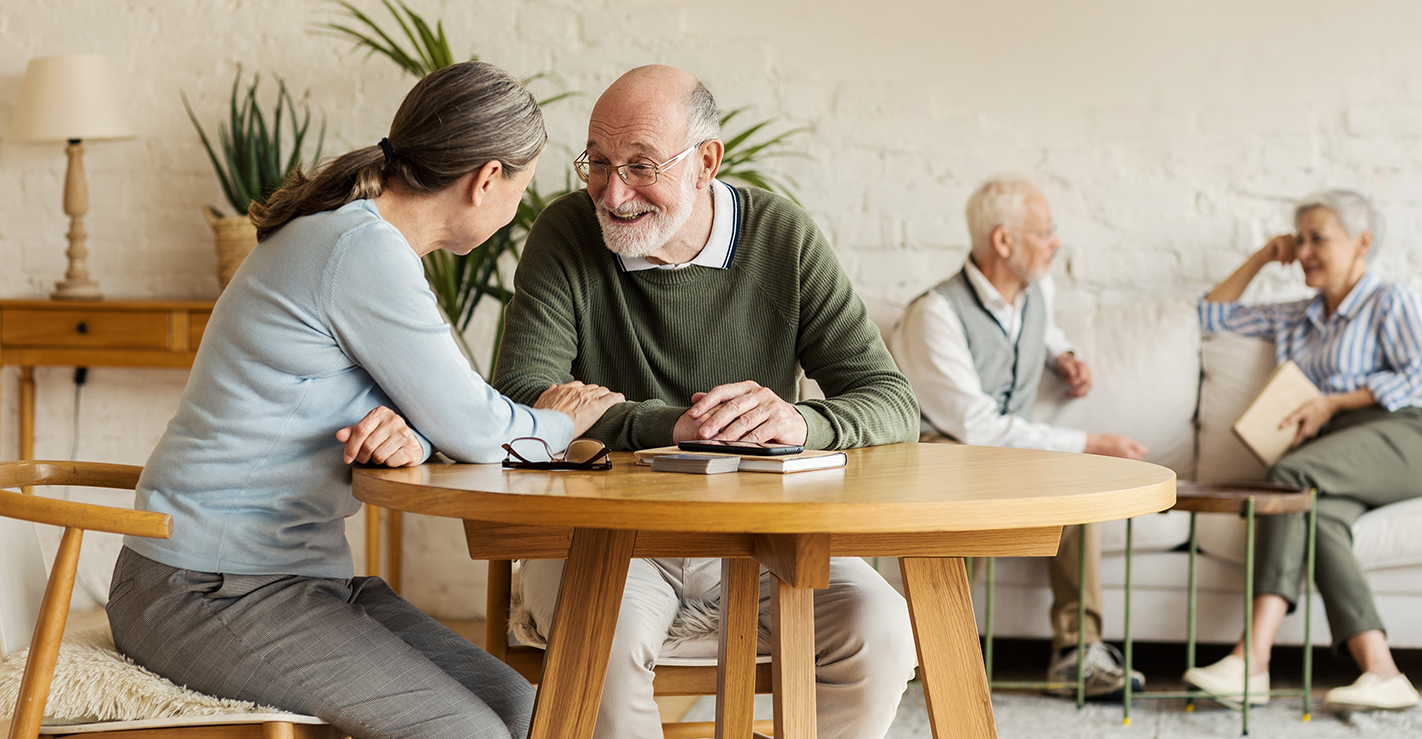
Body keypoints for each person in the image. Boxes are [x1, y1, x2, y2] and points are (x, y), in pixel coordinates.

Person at [108, 62, 622, 739]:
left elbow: (425, 405)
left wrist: (408, 430)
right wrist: (564, 419)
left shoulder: (358, 239)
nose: (516, 210)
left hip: (289, 581)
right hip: (204, 587)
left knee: (525, 710)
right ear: (486, 179)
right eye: (520, 190)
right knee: (470, 733)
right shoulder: (360, 249)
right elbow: (478, 427)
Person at [494, 64, 920, 739]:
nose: (612, 190)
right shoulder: (567, 232)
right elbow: (522, 401)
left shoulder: (781, 235)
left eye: (640, 165)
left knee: (884, 630)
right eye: (597, 162)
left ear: (705, 163)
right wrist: (676, 427)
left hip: (765, 534)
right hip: (608, 537)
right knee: (597, 640)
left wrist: (798, 422)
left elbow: (892, 400)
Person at [1184, 190, 1422, 712]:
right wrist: (1265, 255)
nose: (1305, 250)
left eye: (1318, 238)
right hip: (1341, 456)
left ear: (1362, 244)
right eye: (1299, 238)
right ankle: (1382, 671)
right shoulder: (1296, 317)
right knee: (1320, 516)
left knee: (1288, 474)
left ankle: (1251, 659)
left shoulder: (1389, 300)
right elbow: (1211, 315)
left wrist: (1333, 404)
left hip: (1410, 435)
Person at [889, 176, 1149, 698]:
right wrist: (1091, 443)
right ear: (1004, 243)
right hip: (945, 449)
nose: (1056, 242)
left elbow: (1039, 325)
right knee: (979, 472)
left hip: (1002, 450)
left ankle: (1078, 654)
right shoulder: (933, 315)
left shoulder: (1037, 290)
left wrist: (1064, 355)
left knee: (1076, 486)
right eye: (1045, 231)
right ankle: (938, 648)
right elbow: (975, 427)